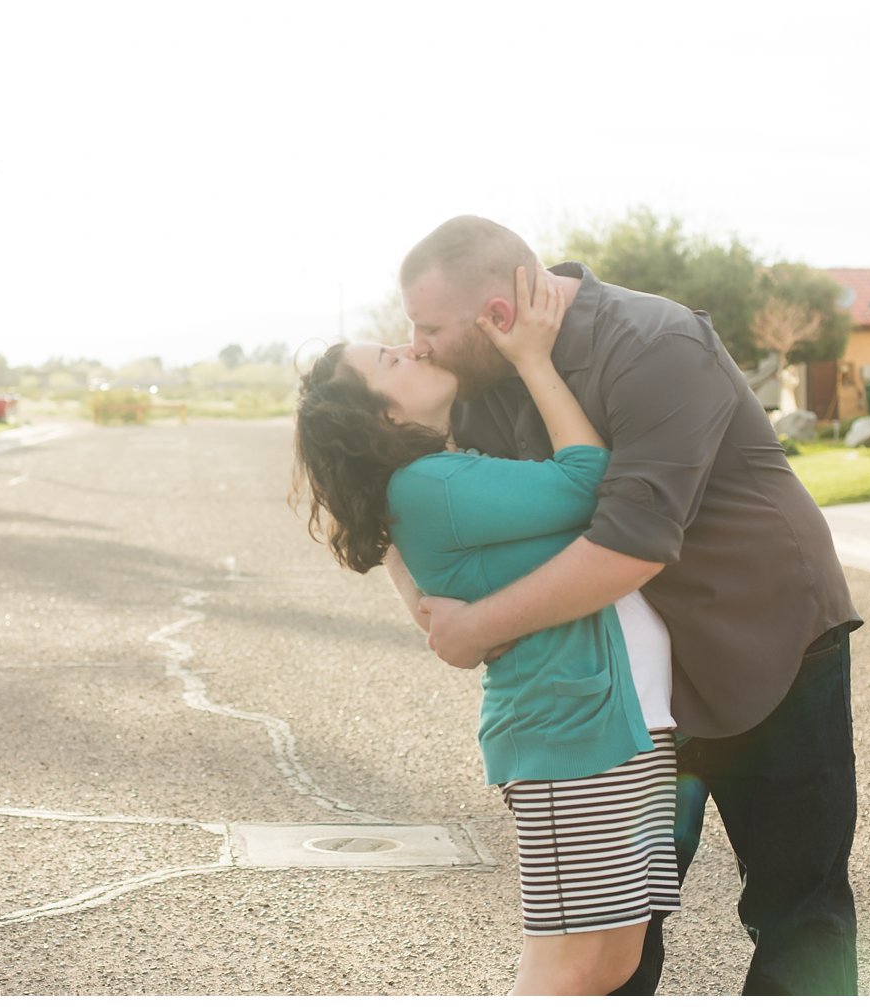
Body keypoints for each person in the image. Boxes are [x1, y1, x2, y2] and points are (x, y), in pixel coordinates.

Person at [393, 215, 862, 996]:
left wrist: (473, 627)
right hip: (631, 683)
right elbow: (415, 495)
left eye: (427, 327)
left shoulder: (655, 343)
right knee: (619, 932)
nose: (415, 345)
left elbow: (632, 543)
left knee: (797, 912)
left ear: (497, 317)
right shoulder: (481, 384)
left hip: (767, 642)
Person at [294, 269, 682, 995]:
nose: (412, 350)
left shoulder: (444, 474)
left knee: (612, 961)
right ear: (379, 415)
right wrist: (532, 357)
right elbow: (587, 480)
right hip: (570, 734)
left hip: (612, 720)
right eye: (390, 359)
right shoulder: (430, 484)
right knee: (569, 967)